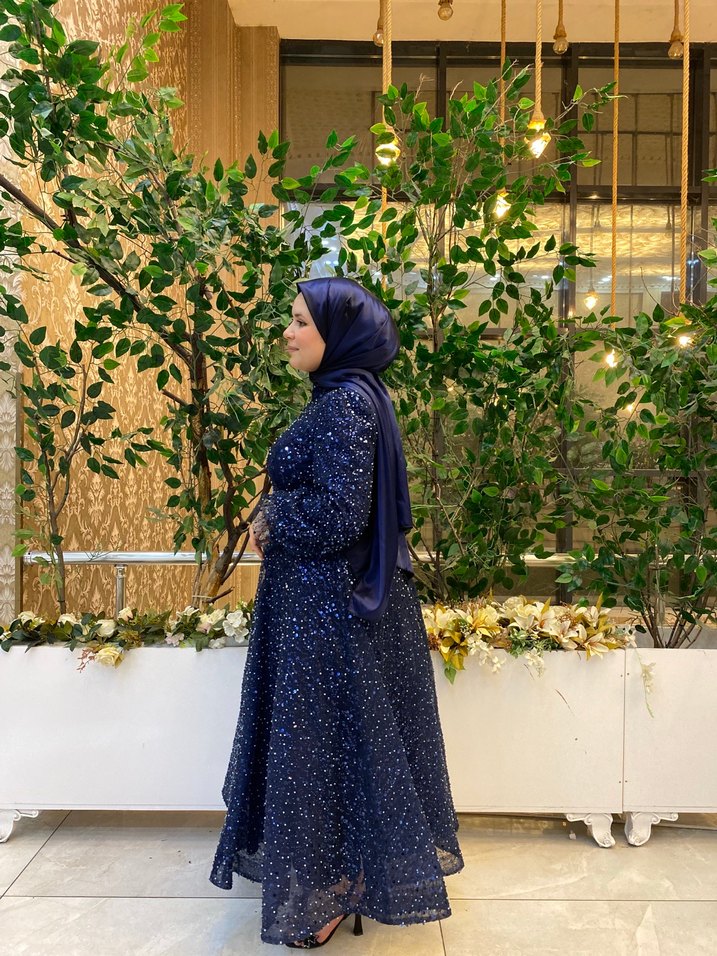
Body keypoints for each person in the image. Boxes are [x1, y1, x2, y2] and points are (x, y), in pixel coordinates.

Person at [209, 276, 464, 948]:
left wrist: (272, 516)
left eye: (300, 321)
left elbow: (339, 516)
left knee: (319, 751)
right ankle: (337, 882)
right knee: (330, 751)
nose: (288, 332)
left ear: (338, 333)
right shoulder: (347, 398)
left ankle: (328, 893)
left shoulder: (346, 404)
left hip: (328, 612)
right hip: (323, 606)